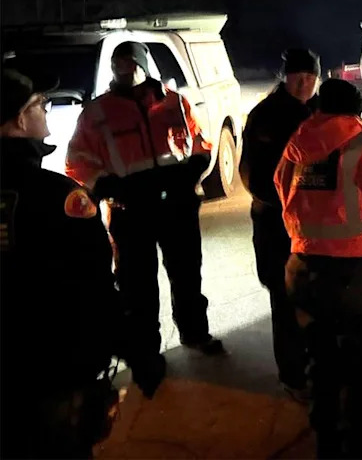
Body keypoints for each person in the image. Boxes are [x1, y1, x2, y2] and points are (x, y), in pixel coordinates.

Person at [65, 41, 223, 396]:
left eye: (131, 62)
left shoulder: (174, 102)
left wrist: (195, 169)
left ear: (144, 64)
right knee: (137, 286)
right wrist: (106, 186)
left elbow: (200, 141)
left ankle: (195, 332)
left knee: (187, 272)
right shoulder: (96, 113)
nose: (125, 69)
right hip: (130, 211)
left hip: (177, 207)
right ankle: (147, 351)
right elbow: (77, 160)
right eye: (118, 63)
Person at [275, 79, 362, 457]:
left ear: (319, 108)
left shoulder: (294, 148)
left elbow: (284, 199)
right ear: (355, 111)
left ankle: (328, 446)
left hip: (305, 271)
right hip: (359, 278)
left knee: (321, 366)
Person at [1, 68, 132, 457]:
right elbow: (94, 284)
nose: (45, 108)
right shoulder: (58, 196)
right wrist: (117, 343)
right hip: (52, 372)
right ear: (20, 120)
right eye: (38, 103)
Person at [239, 48, 319, 400]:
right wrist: (288, 203)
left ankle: (314, 366)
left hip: (315, 227)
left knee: (314, 300)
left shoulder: (321, 112)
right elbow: (252, 175)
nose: (304, 83)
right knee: (285, 300)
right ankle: (292, 375)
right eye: (297, 77)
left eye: (310, 77)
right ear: (284, 77)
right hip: (276, 222)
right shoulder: (265, 115)